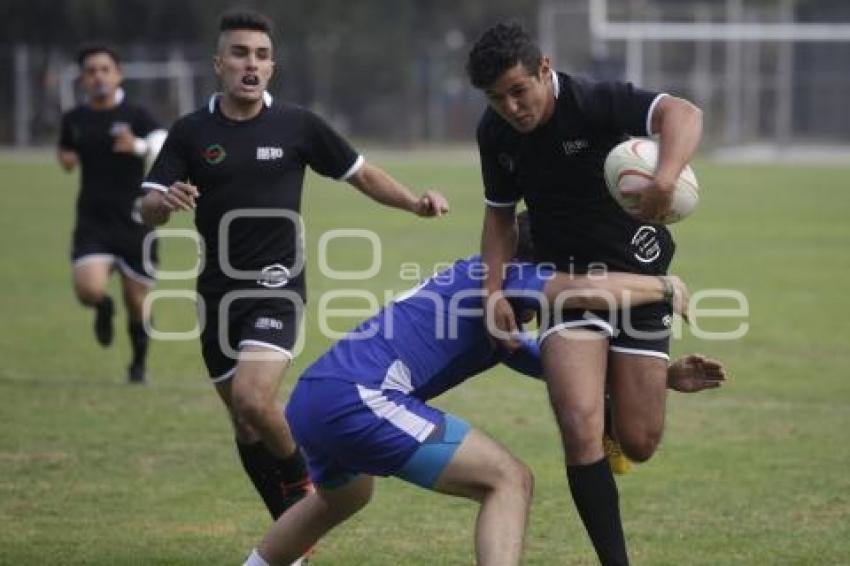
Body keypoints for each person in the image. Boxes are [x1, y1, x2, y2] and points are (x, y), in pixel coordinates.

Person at [138, 8, 449, 534]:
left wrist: (414, 203)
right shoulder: (192, 131)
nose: (250, 64)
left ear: (272, 67)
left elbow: (361, 173)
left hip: (278, 288)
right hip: (216, 297)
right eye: (239, 53)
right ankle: (290, 527)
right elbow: (146, 205)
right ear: (219, 63)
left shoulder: (297, 125)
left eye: (260, 55)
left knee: (252, 399)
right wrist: (164, 202)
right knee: (245, 423)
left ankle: (307, 488)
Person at [241, 239, 724, 566]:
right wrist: (664, 286)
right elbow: (587, 292)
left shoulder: (491, 293)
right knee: (508, 481)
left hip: (314, 396)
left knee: (341, 497)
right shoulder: (516, 274)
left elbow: (543, 363)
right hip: (360, 398)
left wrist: (658, 378)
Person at [466, 22, 704, 565]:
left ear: (544, 70)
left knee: (640, 441)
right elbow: (499, 217)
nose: (511, 107)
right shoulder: (495, 132)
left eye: (518, 90)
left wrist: (665, 178)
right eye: (496, 98)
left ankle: (613, 398)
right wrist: (493, 292)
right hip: (564, 283)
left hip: (639, 278)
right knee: (578, 423)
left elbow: (684, 114)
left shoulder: (595, 102)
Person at [58, 44, 167, 384]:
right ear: (82, 79)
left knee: (136, 301)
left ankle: (138, 366)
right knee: (87, 290)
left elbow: (164, 143)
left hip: (135, 221)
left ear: (118, 73)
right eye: (91, 71)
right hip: (93, 221)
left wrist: (136, 146)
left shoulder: (136, 113)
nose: (98, 77)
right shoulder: (74, 119)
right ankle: (103, 307)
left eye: (105, 69)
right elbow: (66, 152)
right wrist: (66, 158)